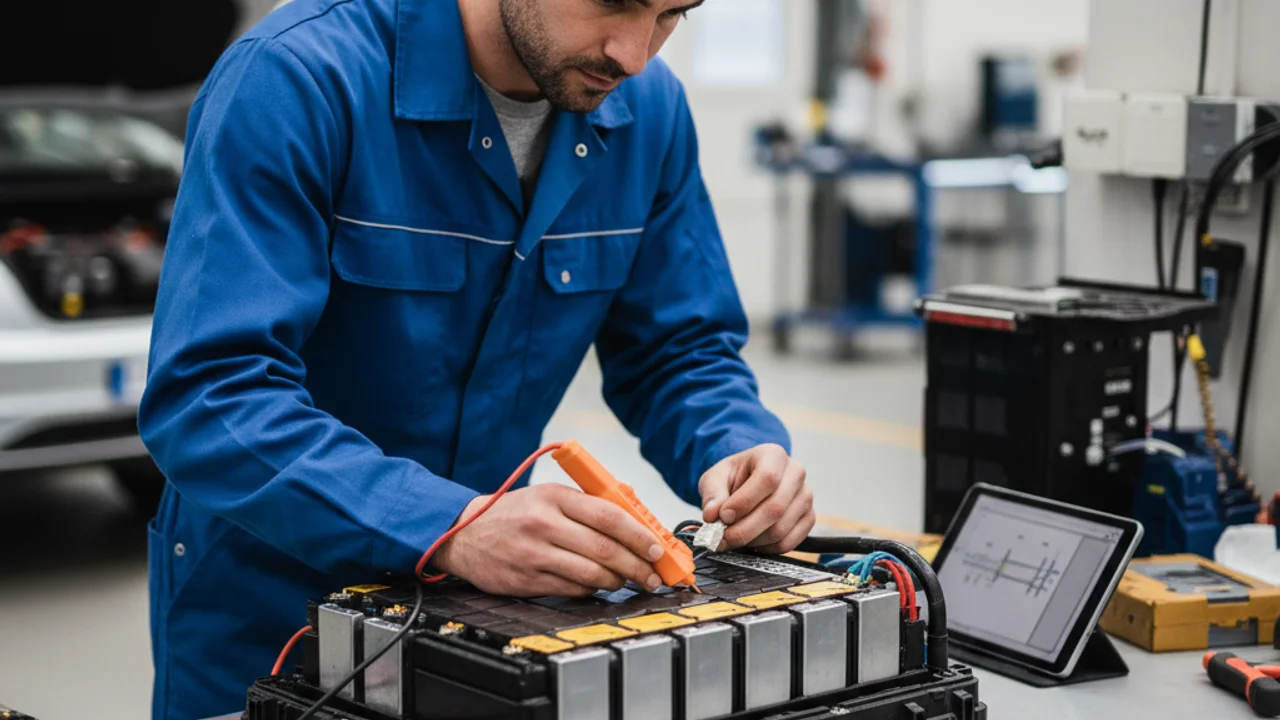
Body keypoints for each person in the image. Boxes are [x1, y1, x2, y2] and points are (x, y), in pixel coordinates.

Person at [138, 0, 814, 717]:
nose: (635, 53)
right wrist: (448, 526)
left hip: (495, 620)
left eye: (671, 14)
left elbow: (678, 348)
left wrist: (735, 445)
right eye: (615, 2)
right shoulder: (297, 77)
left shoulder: (647, 111)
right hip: (270, 619)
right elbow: (212, 395)